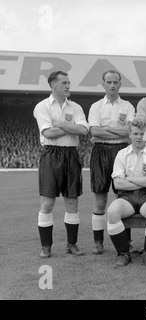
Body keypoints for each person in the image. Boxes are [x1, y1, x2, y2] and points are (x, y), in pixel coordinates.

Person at [33, 70, 89, 258]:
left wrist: (61, 125)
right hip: (51, 155)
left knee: (72, 201)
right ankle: (46, 247)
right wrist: (69, 128)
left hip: (71, 155)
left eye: (68, 82)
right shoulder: (42, 107)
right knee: (47, 203)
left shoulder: (76, 107)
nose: (68, 86)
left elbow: (82, 130)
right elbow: (47, 133)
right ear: (53, 85)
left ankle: (71, 245)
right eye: (64, 82)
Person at [88, 70, 136, 255]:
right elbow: (95, 132)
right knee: (100, 200)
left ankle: (127, 242)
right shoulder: (96, 106)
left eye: (115, 82)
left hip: (122, 152)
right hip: (100, 152)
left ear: (120, 84)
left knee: (125, 199)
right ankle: (98, 243)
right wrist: (119, 130)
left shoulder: (128, 106)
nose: (112, 85)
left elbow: (129, 132)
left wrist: (107, 129)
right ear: (103, 84)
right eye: (108, 82)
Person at [106, 118, 146, 267]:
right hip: (126, 196)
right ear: (130, 135)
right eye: (135, 133)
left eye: (142, 133)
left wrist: (129, 178)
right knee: (112, 212)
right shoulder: (121, 154)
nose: (139, 137)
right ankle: (124, 253)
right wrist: (142, 181)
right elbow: (118, 184)